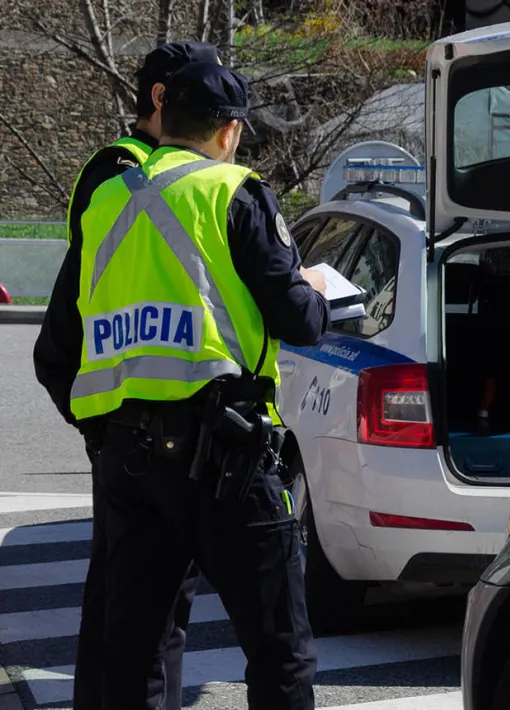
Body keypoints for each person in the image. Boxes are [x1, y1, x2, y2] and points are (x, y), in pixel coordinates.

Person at [72, 59, 326, 709]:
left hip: (126, 454)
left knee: (136, 655)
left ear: (166, 117)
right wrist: (316, 290)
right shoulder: (232, 191)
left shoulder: (106, 199)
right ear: (229, 131)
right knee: (280, 649)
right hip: (223, 454)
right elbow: (298, 319)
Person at [32, 40, 224, 710]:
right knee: (137, 612)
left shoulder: (146, 169)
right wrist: (99, 426)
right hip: (133, 425)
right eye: (196, 92)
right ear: (162, 97)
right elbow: (70, 321)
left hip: (146, 424)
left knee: (137, 605)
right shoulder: (126, 171)